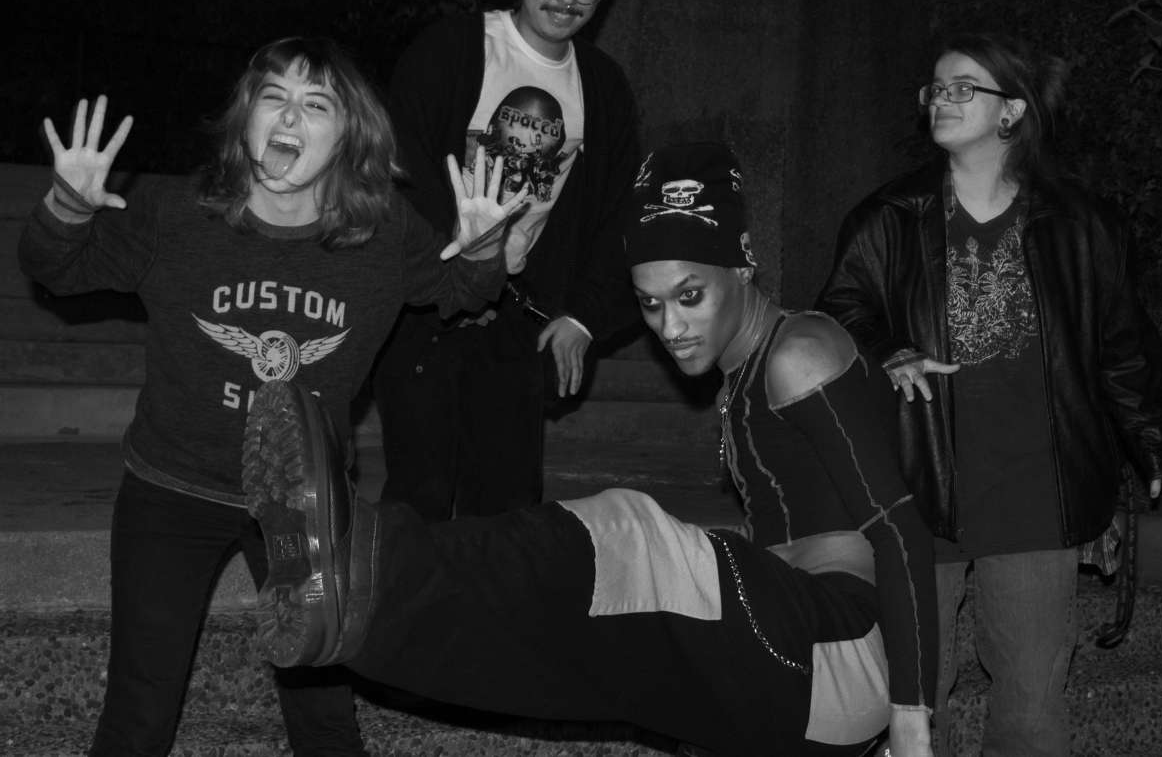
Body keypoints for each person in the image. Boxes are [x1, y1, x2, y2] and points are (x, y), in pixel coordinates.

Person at [242, 142, 939, 757]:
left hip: (839, 652)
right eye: (651, 303)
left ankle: (365, 560)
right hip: (790, 665)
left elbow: (899, 532)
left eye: (689, 295)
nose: (671, 325)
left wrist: (911, 719)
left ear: (744, 263)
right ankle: (352, 626)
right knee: (577, 636)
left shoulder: (800, 352)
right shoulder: (745, 370)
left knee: (631, 535)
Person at [18, 37, 522, 757]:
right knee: (138, 716)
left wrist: (483, 248)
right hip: (171, 490)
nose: (289, 116)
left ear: (349, 137)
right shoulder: (176, 212)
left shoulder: (383, 234)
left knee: (324, 718)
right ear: (245, 118)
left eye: (316, 105)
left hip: (305, 501)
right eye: (273, 97)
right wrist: (68, 205)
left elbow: (461, 292)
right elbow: (56, 269)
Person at [814, 33, 1162, 757]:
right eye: (935, 88)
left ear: (1011, 112)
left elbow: (1122, 349)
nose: (941, 100)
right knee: (909, 699)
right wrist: (890, 350)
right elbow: (836, 314)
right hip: (921, 483)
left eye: (962, 88)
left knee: (1032, 708)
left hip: (1037, 489)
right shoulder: (889, 216)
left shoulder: (1082, 223)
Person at [373, 0, 641, 522]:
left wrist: (583, 315)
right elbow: (395, 166)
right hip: (430, 308)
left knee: (508, 504)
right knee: (419, 495)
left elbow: (620, 212)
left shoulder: (603, 87)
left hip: (519, 315)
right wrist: (457, 263)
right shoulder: (454, 48)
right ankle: (406, 589)